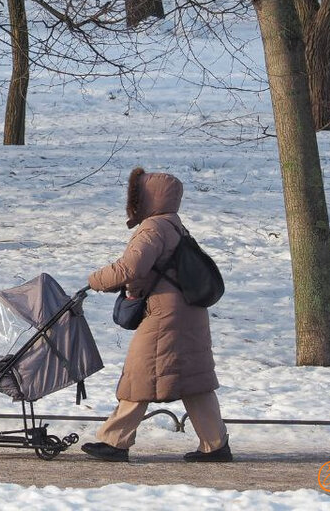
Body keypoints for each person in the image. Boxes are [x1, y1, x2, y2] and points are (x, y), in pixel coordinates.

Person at [82, 167, 231, 462]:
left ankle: (115, 442)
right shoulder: (176, 225)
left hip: (165, 316)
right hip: (188, 313)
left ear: (148, 198)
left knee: (140, 373)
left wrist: (95, 280)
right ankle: (216, 445)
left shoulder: (153, 228)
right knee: (194, 379)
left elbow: (130, 268)